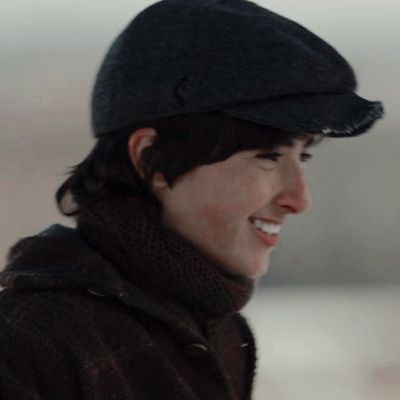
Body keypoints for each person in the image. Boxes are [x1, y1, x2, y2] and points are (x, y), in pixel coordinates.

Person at [0, 0, 383, 399]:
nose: (299, 200)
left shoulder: (216, 328)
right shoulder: (31, 342)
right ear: (152, 160)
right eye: (268, 157)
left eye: (301, 157)